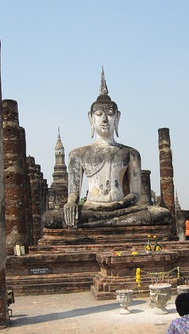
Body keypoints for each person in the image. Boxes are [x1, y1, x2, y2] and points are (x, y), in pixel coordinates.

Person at [43, 69, 170, 229]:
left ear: (117, 117)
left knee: (161, 214)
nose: (104, 119)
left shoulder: (130, 153)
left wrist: (117, 204)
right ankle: (107, 223)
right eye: (98, 114)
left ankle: (104, 223)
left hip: (122, 210)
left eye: (109, 114)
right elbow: (73, 193)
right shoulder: (78, 154)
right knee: (50, 218)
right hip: (91, 209)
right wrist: (70, 203)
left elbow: (136, 194)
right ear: (91, 118)